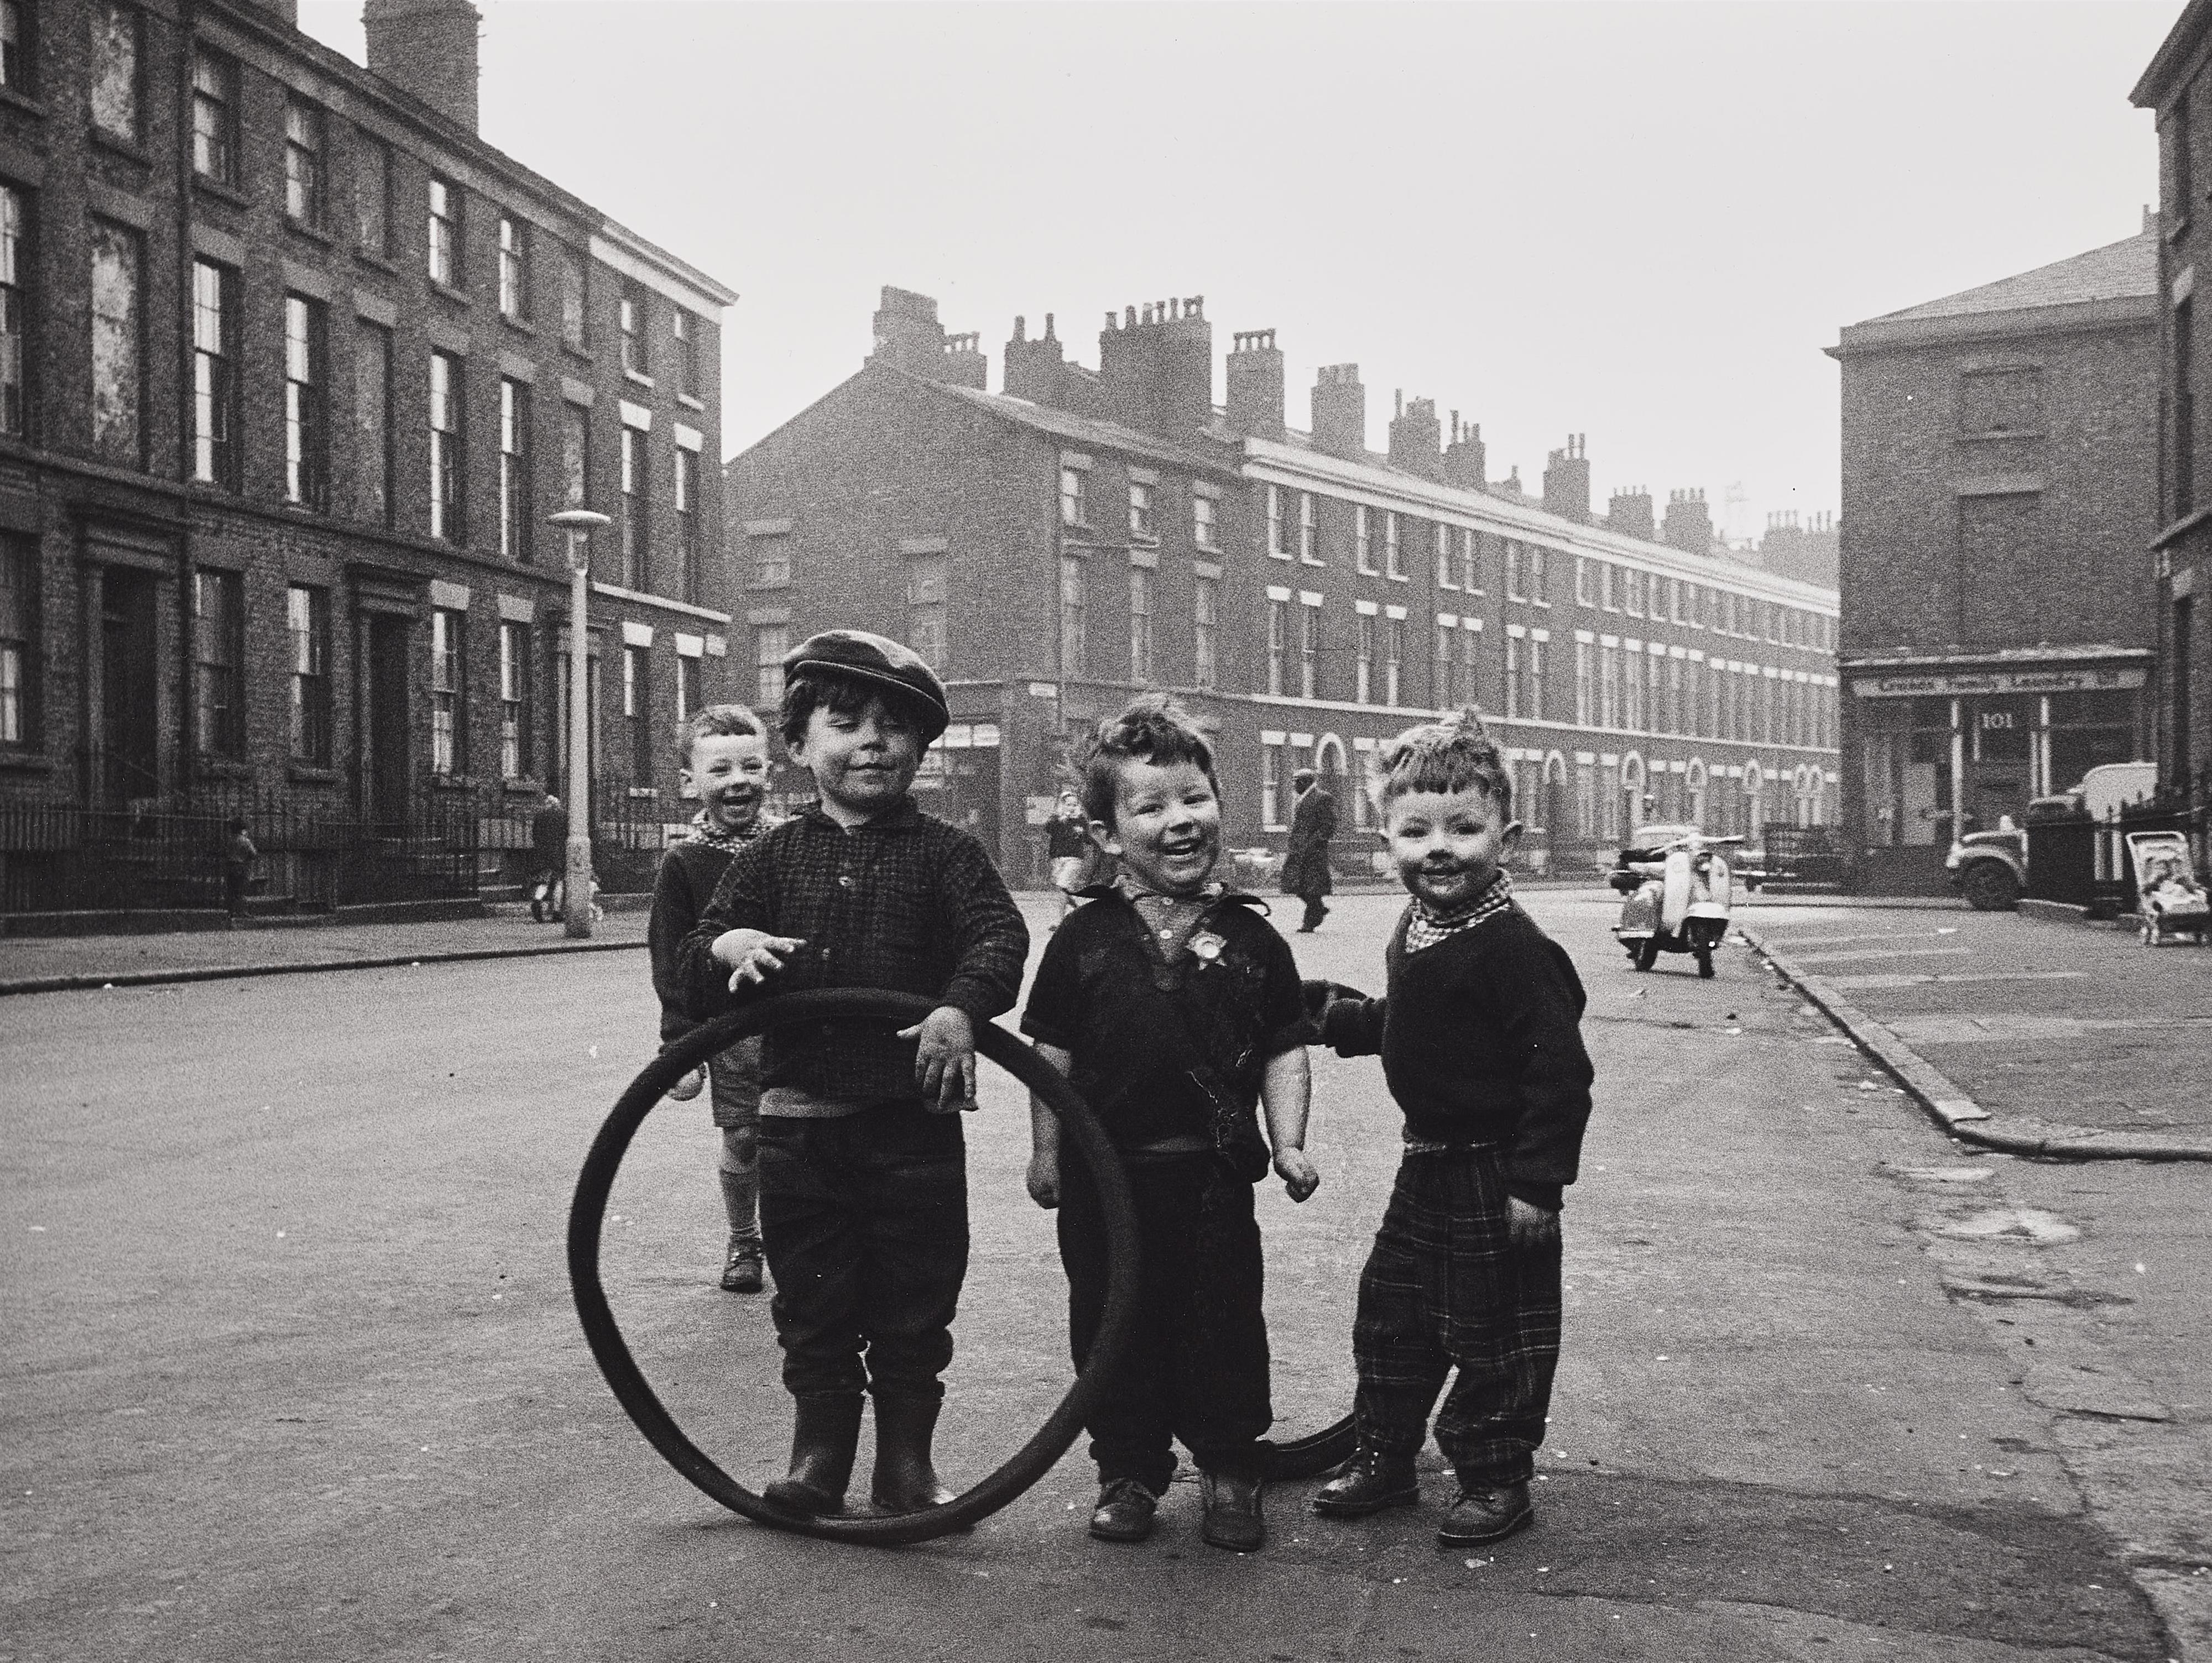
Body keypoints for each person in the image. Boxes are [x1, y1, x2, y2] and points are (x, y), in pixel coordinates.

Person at [679, 630, 1029, 1520]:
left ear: (921, 748)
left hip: (912, 1124)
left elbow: (999, 939)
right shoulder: (767, 859)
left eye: (896, 727)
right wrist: (729, 945)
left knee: (915, 1302)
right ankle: (820, 1457)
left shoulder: (948, 854)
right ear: (799, 746)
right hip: (801, 1125)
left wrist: (959, 1008)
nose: (873, 741)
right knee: (815, 1300)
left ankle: (906, 1466)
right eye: (846, 723)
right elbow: (692, 955)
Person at [1022, 695, 1319, 1554]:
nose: (1180, 821)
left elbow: (1283, 1051)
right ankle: (1128, 1468)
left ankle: (1230, 1465)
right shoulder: (1083, 940)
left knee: (1222, 1320)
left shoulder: (1255, 940)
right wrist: (1046, 1152)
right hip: (1103, 1180)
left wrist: (1290, 1142)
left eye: (1194, 799)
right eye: (1150, 807)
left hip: (1211, 1178)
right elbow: (1051, 1057)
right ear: (1110, 835)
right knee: (1111, 1325)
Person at [1307, 709, 1594, 1549]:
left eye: (1465, 829)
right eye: (1416, 830)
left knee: (1495, 1332)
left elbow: (1558, 1073)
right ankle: (1386, 1455)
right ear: (1385, 836)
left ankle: (1495, 1472)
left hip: (1496, 1170)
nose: (1441, 848)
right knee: (1392, 1311)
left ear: (1505, 831)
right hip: (1426, 1161)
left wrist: (1537, 1183)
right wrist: (1349, 1021)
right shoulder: (1424, 926)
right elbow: (1426, 1021)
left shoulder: (1513, 947)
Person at [649, 705, 778, 1294]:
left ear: (770, 771)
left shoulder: (789, 845)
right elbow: (672, 958)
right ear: (690, 783)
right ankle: (744, 1238)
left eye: (751, 765)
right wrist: (681, 1041)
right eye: (720, 768)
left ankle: (801, 1240)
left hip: (795, 1019)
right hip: (731, 1027)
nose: (737, 780)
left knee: (801, 1135)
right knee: (743, 1134)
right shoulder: (683, 862)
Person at [1281, 766, 1338, 933]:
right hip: (1298, 850)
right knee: (1295, 885)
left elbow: (1328, 825)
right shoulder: (1303, 799)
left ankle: (1310, 921)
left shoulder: (1322, 798)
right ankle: (1318, 909)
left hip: (1314, 852)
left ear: (1306, 782)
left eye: (1297, 782)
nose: (1295, 786)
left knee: (1311, 888)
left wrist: (1314, 842)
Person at [1044, 788, 1098, 923]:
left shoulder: (1082, 821)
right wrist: (1061, 818)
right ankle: (1080, 911)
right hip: (1057, 859)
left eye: (1075, 805)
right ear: (1063, 806)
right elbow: (1048, 829)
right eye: (1069, 804)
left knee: (1063, 887)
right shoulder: (1058, 820)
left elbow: (1090, 839)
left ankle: (1059, 921)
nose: (1072, 808)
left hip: (1074, 859)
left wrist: (1083, 829)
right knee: (1063, 890)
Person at [529, 794, 567, 923]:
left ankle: (538, 900)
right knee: (558, 881)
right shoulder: (563, 815)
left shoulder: (539, 815)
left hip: (542, 852)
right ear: (557, 804)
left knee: (543, 881)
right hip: (558, 852)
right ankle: (557, 912)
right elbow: (567, 833)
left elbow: (534, 834)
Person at [222, 818, 258, 925]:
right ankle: (242, 911)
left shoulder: (229, 840)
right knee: (241, 890)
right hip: (241, 867)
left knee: (231, 890)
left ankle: (231, 911)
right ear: (243, 830)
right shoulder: (245, 841)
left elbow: (225, 852)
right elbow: (253, 854)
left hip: (230, 866)